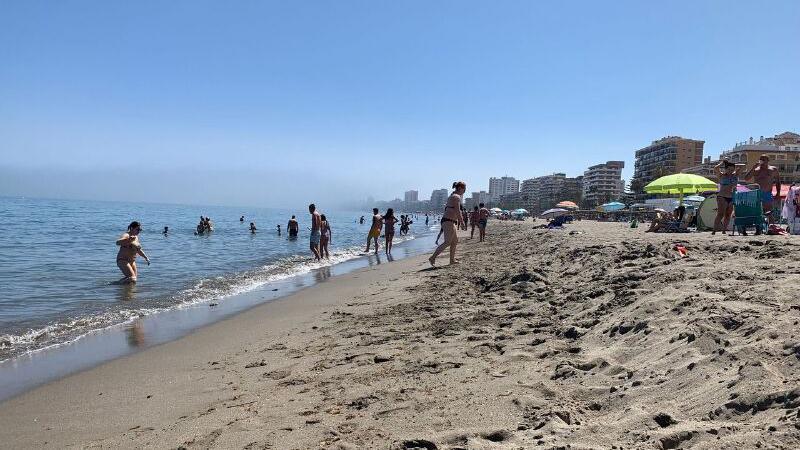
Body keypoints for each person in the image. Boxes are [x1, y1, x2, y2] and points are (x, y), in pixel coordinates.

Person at [429, 181, 466, 266]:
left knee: (454, 241)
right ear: (460, 188)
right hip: (448, 221)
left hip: (449, 221)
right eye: (464, 189)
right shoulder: (456, 197)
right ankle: (432, 257)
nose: (464, 191)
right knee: (448, 242)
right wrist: (462, 222)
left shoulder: (453, 196)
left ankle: (452, 260)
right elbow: (458, 211)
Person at [744, 154, 781, 222]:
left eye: (764, 160)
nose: (762, 161)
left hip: (767, 193)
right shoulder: (756, 169)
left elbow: (778, 182)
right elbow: (746, 178)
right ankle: (758, 228)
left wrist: (778, 193)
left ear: (768, 161)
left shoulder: (773, 169)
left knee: (769, 212)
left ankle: (771, 227)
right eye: (761, 159)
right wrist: (753, 168)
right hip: (756, 193)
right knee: (756, 212)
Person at [713, 160, 743, 235]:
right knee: (720, 214)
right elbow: (716, 168)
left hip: (732, 197)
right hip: (722, 196)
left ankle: (724, 230)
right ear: (725, 169)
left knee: (728, 214)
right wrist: (722, 163)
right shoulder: (722, 175)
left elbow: (744, 166)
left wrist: (734, 164)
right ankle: (714, 230)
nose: (730, 171)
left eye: (732, 169)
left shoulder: (735, 175)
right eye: (729, 169)